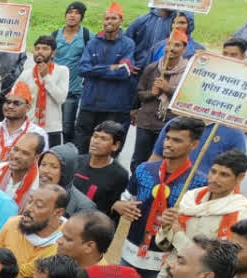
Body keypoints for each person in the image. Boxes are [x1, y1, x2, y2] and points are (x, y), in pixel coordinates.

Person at [114, 117, 204, 278]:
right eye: (168, 138)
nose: (168, 143)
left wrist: (178, 220)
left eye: (177, 140)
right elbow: (125, 200)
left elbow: (197, 227)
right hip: (131, 250)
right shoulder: (144, 170)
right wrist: (119, 206)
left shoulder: (199, 183)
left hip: (167, 259)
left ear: (193, 145)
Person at [152, 150, 247, 278]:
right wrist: (166, 227)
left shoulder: (240, 212)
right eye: (213, 171)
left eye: (224, 175)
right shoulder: (190, 198)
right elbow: (163, 245)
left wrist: (178, 235)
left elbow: (218, 262)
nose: (215, 179)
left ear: (240, 178)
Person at [74, 3, 136, 154]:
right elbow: (82, 69)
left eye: (113, 18)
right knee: (82, 147)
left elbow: (124, 72)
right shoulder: (93, 42)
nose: (109, 21)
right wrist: (110, 68)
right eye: (107, 18)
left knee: (108, 148)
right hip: (89, 103)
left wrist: (95, 70)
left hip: (113, 106)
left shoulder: (128, 44)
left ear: (121, 21)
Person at [0, 184, 67, 278]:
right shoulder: (13, 223)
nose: (28, 209)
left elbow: (18, 276)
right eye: (29, 201)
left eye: (39, 205)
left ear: (57, 212)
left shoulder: (64, 245)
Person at [132, 27, 189, 169]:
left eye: (177, 45)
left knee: (163, 163)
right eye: (169, 44)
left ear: (184, 49)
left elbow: (187, 101)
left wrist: (168, 90)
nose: (171, 48)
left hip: (170, 125)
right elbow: (140, 94)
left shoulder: (188, 73)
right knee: (139, 160)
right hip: (146, 122)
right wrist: (153, 93)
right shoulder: (152, 68)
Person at [16, 36, 70, 148]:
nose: (40, 51)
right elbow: (16, 98)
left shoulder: (62, 71)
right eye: (37, 48)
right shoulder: (26, 74)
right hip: (29, 126)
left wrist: (46, 76)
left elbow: (61, 98)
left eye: (45, 49)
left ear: (53, 53)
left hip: (52, 128)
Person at [53, 2, 92, 148]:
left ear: (81, 17)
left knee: (68, 128)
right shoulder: (55, 35)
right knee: (52, 127)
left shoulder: (87, 36)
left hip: (72, 90)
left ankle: (68, 156)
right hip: (53, 89)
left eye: (76, 13)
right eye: (70, 12)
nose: (72, 15)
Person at [0, 83, 49, 165]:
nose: (10, 106)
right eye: (8, 102)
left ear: (27, 108)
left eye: (16, 103)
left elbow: (41, 163)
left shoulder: (38, 133)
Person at [73, 121, 129, 218]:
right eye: (95, 136)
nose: (96, 141)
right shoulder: (77, 161)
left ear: (115, 146)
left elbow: (113, 211)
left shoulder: (119, 175)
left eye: (103, 139)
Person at [39, 144, 95, 216]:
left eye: (54, 167)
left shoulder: (83, 207)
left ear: (67, 171)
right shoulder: (34, 192)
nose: (45, 170)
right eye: (43, 164)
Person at [125, 6, 186, 71]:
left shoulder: (179, 22)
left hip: (161, 72)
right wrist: (129, 62)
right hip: (137, 70)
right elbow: (126, 44)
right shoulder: (142, 20)